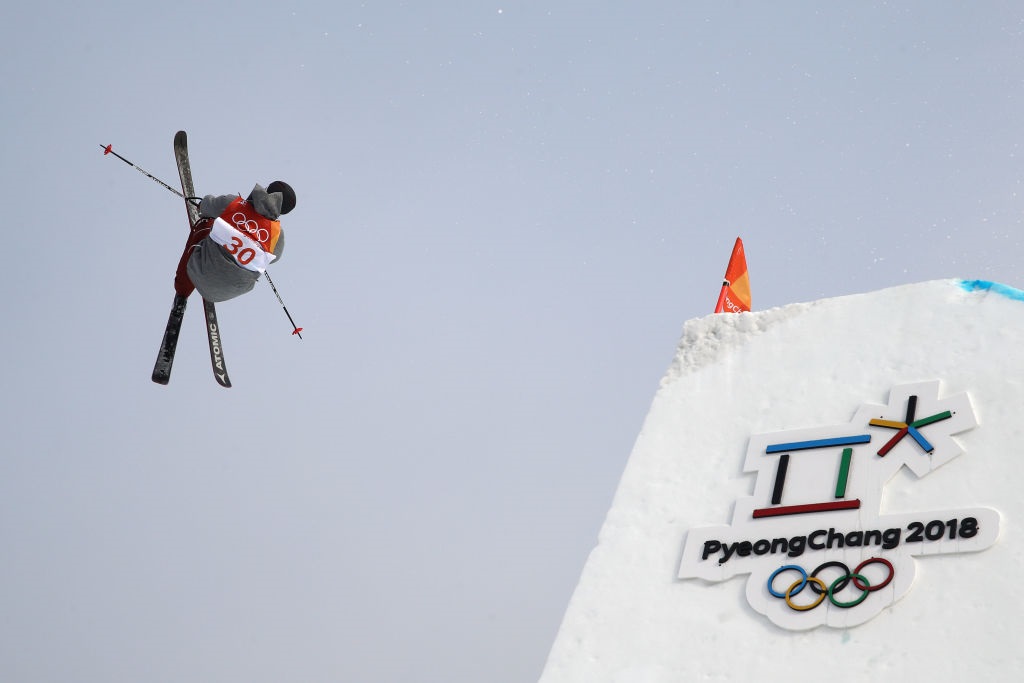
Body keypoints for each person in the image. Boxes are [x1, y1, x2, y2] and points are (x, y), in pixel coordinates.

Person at [173, 181, 296, 302]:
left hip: (199, 272)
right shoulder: (278, 235)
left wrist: (203, 206)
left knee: (207, 223)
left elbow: (206, 206)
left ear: (265, 190)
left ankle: (181, 293)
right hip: (227, 293)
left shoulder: (234, 204)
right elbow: (274, 258)